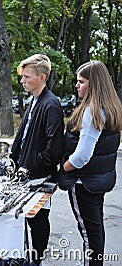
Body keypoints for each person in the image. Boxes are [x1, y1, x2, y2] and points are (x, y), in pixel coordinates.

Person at [58, 61, 122, 266]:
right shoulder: (110, 108)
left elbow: (82, 156)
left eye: (81, 82)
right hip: (96, 181)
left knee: (89, 233)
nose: (77, 86)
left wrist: (64, 168)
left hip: (83, 182)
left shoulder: (91, 111)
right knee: (95, 230)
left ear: (94, 84)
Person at [9, 54, 64, 266]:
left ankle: (36, 260)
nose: (22, 81)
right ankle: (20, 256)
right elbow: (24, 136)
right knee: (22, 217)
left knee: (38, 221)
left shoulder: (51, 105)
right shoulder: (33, 101)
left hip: (39, 176)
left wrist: (34, 163)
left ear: (42, 77)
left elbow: (54, 147)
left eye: (27, 77)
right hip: (24, 172)